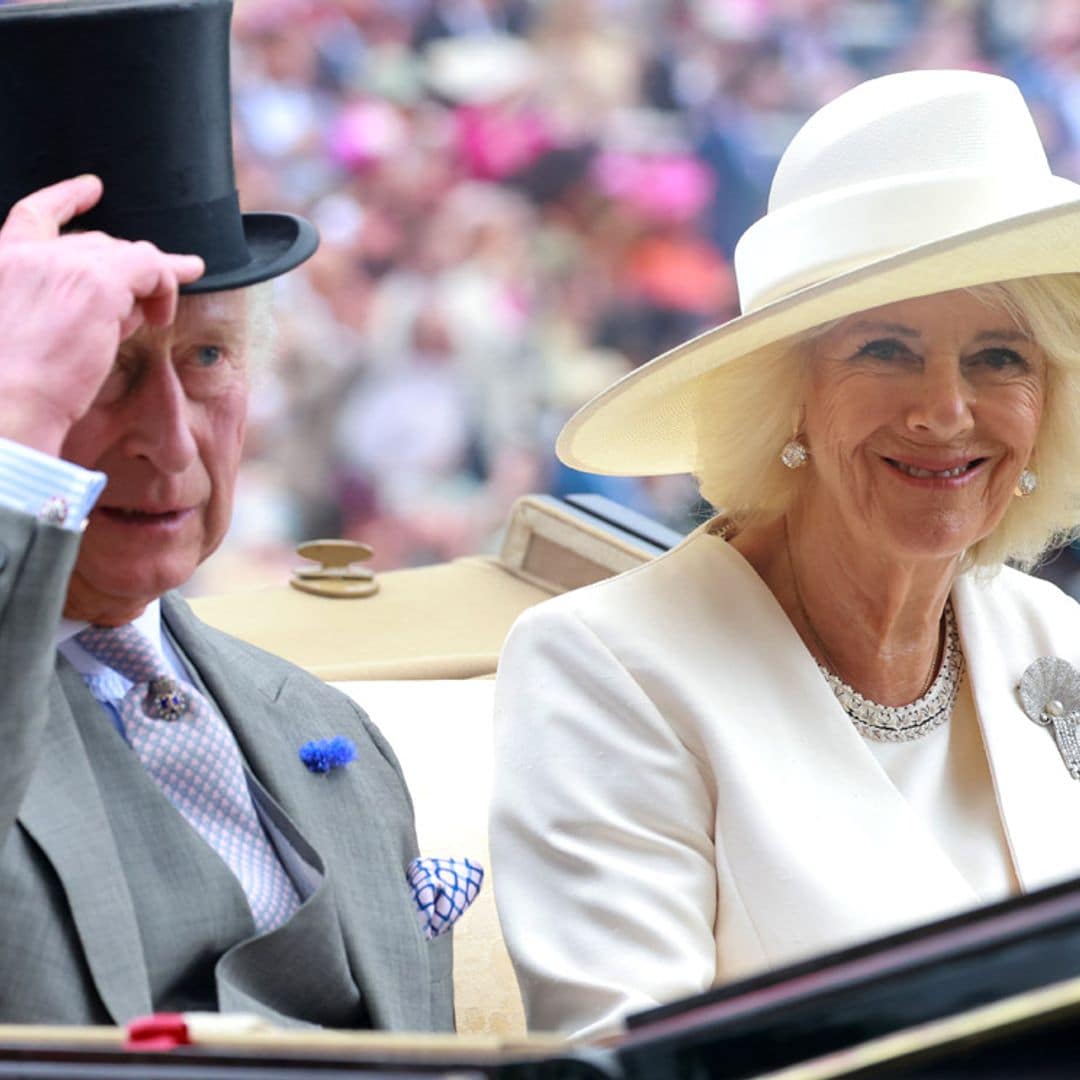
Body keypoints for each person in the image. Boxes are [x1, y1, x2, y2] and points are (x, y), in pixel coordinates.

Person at [490, 68, 1080, 1038]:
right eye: (886, 350)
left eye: (1000, 357)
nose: (945, 409)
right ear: (789, 393)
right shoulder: (606, 669)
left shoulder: (1051, 634)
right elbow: (629, 1059)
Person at [0, 0, 454, 1029]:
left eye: (207, 357)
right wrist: (19, 407)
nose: (168, 438)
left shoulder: (329, 730)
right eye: (104, 367)